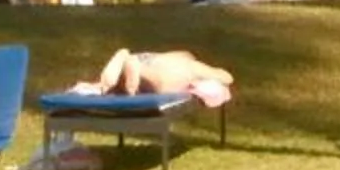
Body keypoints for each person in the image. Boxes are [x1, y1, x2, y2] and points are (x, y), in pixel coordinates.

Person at [72, 49, 236, 105]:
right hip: (161, 77)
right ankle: (129, 67)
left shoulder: (172, 61)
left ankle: (121, 69)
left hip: (147, 66)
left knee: (127, 59)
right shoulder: (189, 66)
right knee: (143, 72)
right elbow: (227, 78)